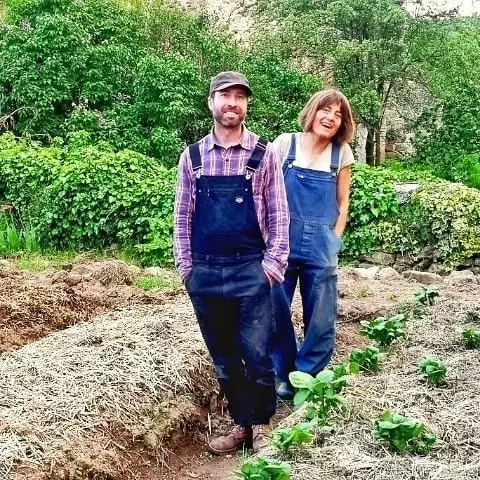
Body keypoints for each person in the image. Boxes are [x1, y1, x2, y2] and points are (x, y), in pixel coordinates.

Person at [173, 71, 289, 454]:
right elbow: (182, 217)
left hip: (250, 270)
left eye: (240, 96)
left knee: (256, 354)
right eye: (225, 95)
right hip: (205, 273)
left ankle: (263, 424)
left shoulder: (263, 153)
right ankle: (241, 423)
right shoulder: (192, 157)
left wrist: (271, 267)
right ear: (211, 103)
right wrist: (187, 270)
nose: (232, 103)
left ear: (246, 105)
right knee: (224, 359)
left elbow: (278, 213)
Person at [271, 89, 355, 400]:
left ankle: (307, 374)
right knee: (273, 306)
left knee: (321, 315)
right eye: (326, 110)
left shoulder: (341, 154)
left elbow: (343, 203)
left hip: (321, 243)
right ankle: (283, 371)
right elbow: (266, 192)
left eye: (338, 115)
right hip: (282, 240)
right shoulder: (285, 144)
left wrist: (334, 241)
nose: (331, 118)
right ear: (313, 111)